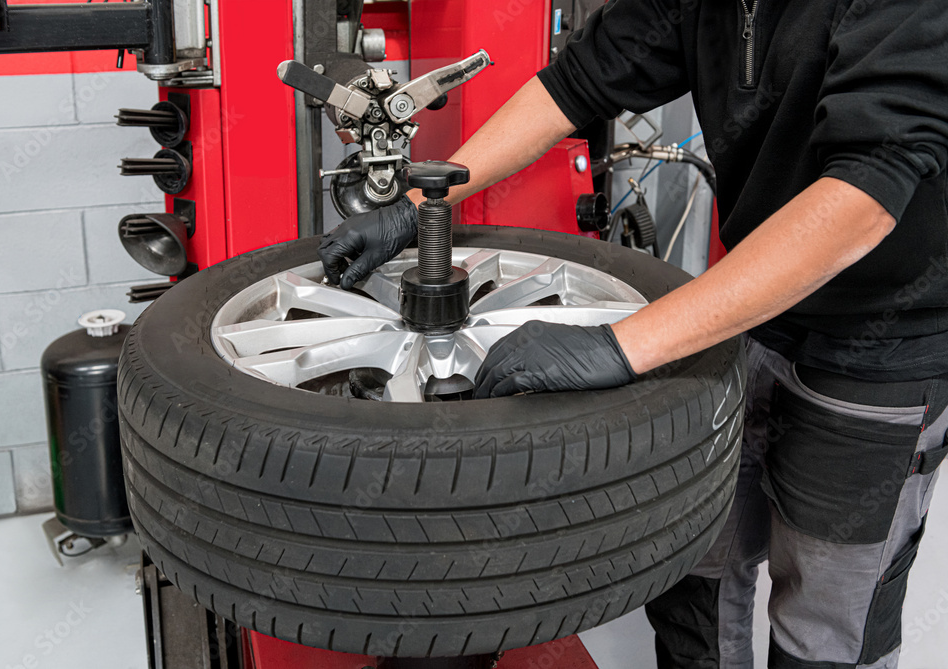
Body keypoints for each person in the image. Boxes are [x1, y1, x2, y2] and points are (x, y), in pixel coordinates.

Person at [317, 1, 948, 667]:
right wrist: (421, 206)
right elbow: (577, 84)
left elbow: (867, 195)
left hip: (879, 347)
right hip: (750, 308)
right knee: (692, 570)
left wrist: (622, 344)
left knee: (824, 629)